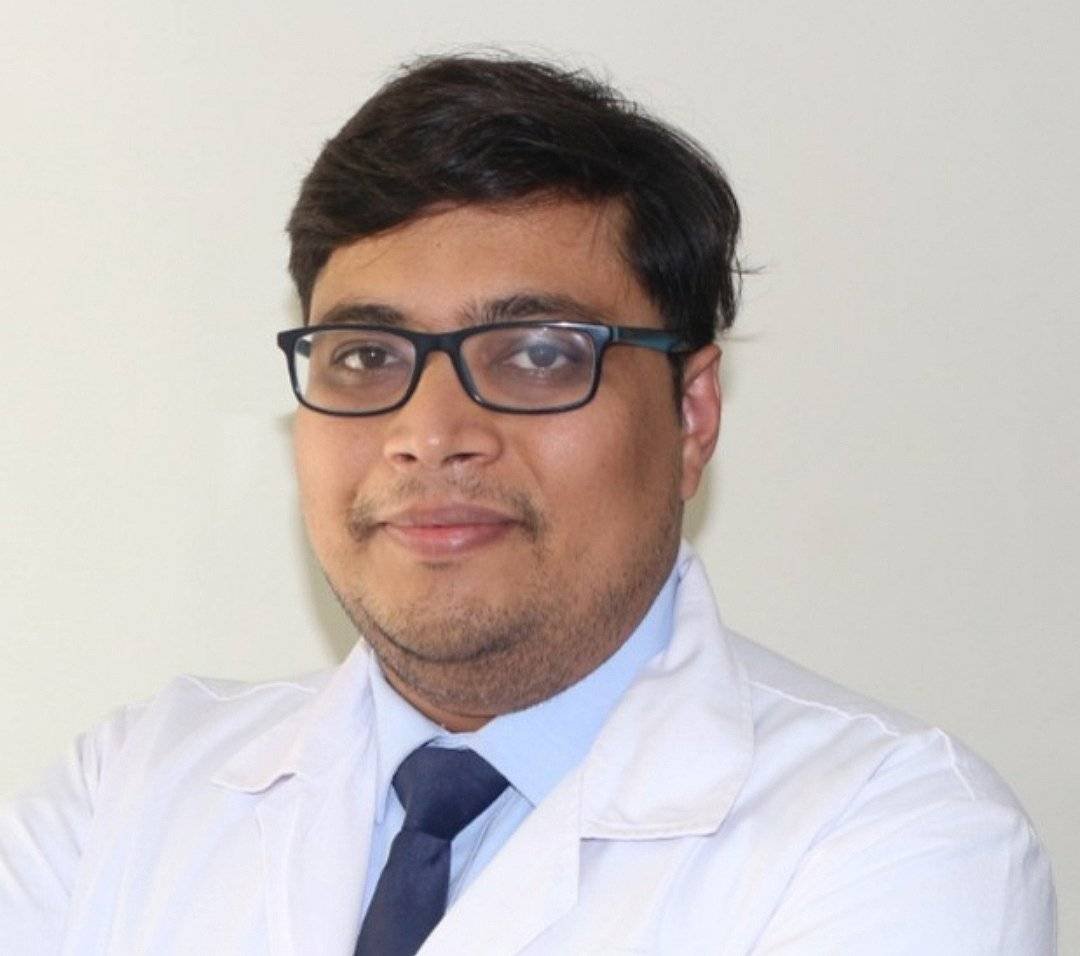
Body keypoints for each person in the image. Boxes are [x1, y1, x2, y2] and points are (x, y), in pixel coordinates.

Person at [0, 53, 1055, 955]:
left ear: (690, 413)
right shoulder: (127, 794)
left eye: (539, 353)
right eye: (367, 354)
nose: (431, 428)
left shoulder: (895, 833)